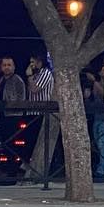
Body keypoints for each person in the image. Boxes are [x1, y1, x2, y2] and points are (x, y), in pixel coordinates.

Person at [22, 55, 59, 183]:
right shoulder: (36, 74)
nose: (31, 65)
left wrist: (29, 76)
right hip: (33, 111)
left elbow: (34, 88)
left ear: (40, 62)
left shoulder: (45, 74)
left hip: (42, 112)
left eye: (33, 62)